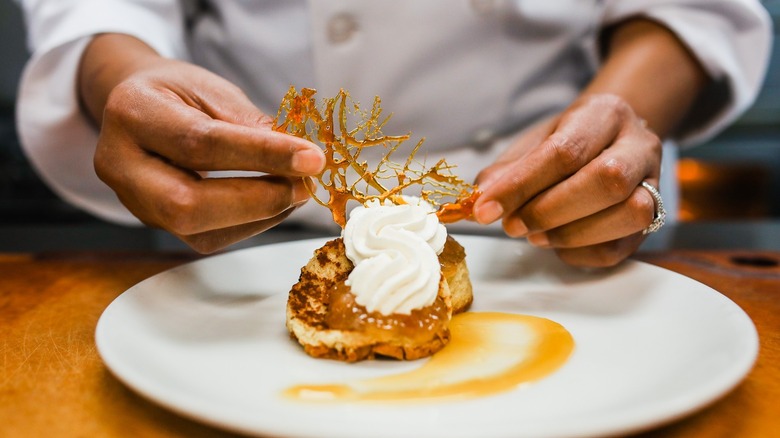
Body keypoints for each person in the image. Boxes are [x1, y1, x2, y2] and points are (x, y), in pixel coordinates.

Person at [15, 1, 772, 267]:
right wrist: (124, 77)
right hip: (239, 215)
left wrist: (609, 128)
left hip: (568, 220)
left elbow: (692, 7)